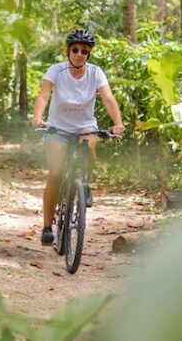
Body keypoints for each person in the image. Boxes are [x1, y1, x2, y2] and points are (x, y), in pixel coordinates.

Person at [31, 29, 125, 245]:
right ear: (68, 51)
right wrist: (37, 117)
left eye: (84, 51)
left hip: (85, 126)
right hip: (58, 127)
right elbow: (44, 95)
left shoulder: (95, 72)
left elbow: (108, 98)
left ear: (89, 54)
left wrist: (118, 123)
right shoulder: (57, 70)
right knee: (54, 174)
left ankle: (86, 185)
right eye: (75, 50)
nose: (79, 54)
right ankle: (47, 226)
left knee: (89, 145)